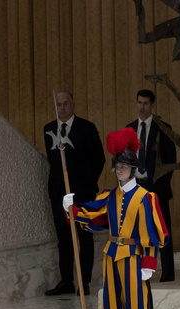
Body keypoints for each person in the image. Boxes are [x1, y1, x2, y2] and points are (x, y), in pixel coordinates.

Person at [63, 127, 169, 309]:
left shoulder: (146, 197)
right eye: (117, 166)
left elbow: (154, 232)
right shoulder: (110, 196)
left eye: (122, 166)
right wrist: (71, 209)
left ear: (132, 168)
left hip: (134, 258)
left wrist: (149, 262)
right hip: (111, 256)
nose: (119, 170)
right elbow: (92, 213)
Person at [43, 91, 106, 296]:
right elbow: (52, 161)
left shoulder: (86, 128)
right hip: (59, 194)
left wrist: (85, 184)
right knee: (64, 238)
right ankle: (66, 281)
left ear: (73, 104)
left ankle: (83, 281)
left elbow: (99, 160)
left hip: (82, 193)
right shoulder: (49, 129)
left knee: (84, 236)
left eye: (66, 103)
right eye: (59, 104)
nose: (62, 108)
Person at [126, 89, 178, 282]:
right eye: (139, 103)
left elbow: (170, 161)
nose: (142, 107)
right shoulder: (129, 129)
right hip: (136, 186)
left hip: (156, 186)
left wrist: (160, 184)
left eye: (146, 103)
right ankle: (140, 270)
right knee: (138, 230)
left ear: (152, 104)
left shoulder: (163, 128)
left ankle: (168, 272)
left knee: (162, 229)